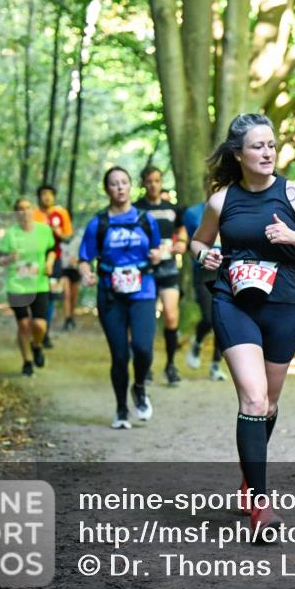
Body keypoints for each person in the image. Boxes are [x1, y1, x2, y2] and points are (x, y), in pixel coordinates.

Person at [190, 113, 295, 535]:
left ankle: (248, 479)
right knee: (253, 400)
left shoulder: (292, 193)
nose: (268, 152)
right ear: (239, 154)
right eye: (258, 146)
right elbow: (198, 241)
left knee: (268, 404)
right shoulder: (221, 201)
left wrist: (293, 237)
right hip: (234, 303)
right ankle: (260, 505)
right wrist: (204, 256)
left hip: (284, 307)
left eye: (271, 144)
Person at [77, 166, 162, 429]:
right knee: (120, 355)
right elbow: (84, 258)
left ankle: (139, 387)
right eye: (114, 183)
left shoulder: (146, 220)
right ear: (107, 189)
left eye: (124, 182)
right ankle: (121, 410)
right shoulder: (99, 223)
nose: (120, 187)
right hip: (110, 294)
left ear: (130, 186)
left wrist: (157, 255)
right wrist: (86, 273)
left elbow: (157, 249)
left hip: (143, 291)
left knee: (143, 349)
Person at [135, 166, 187, 386]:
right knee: (146, 321)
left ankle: (170, 365)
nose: (153, 185)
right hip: (144, 271)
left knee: (171, 317)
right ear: (143, 183)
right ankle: (144, 366)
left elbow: (182, 234)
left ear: (161, 182)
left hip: (168, 270)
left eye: (157, 181)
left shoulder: (173, 209)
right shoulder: (136, 209)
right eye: (149, 181)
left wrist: (180, 244)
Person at [0, 198, 56, 376]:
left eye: (27, 208)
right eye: (20, 209)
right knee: (23, 325)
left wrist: (49, 263)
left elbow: (52, 251)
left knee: (39, 325)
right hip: (17, 286)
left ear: (33, 210)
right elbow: (0, 260)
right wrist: (9, 258)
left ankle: (36, 345)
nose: (24, 212)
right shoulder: (10, 234)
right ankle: (27, 362)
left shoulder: (44, 230)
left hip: (39, 284)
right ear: (16, 213)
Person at [182, 177, 227, 382]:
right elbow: (188, 243)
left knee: (224, 319)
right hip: (204, 270)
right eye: (213, 185)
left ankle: (216, 364)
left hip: (228, 270)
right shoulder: (192, 213)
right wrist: (204, 255)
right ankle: (197, 342)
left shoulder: (234, 211)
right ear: (206, 187)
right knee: (210, 317)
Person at [33, 184, 73, 347]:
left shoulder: (61, 213)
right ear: (39, 197)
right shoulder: (33, 214)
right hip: (34, 260)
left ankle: (45, 332)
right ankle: (34, 330)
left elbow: (68, 237)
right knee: (33, 295)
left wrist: (59, 233)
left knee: (51, 296)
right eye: (44, 194)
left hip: (55, 260)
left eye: (50, 194)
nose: (47, 197)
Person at [59, 233, 82, 329]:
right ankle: (67, 318)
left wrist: (77, 260)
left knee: (74, 296)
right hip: (64, 270)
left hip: (75, 269)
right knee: (67, 294)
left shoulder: (78, 239)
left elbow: (84, 254)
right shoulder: (59, 240)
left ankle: (71, 317)